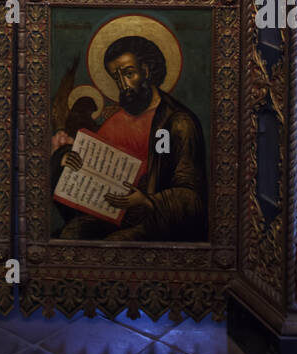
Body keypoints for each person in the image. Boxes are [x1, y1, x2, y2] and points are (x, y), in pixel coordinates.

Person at [51, 35, 207, 241]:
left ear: (147, 70)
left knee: (115, 244)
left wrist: (148, 201)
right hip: (110, 213)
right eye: (116, 78)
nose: (123, 84)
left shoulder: (178, 122)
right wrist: (64, 157)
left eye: (129, 74)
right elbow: (93, 166)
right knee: (71, 234)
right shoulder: (116, 119)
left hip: (154, 220)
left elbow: (192, 197)